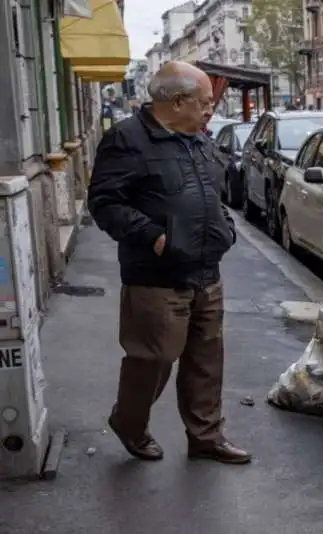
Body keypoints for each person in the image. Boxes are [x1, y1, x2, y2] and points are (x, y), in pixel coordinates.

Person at [87, 61, 251, 465]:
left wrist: (225, 227)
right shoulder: (126, 139)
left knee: (206, 359)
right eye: (205, 102)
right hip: (156, 278)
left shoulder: (198, 139)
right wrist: (154, 237)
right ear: (178, 102)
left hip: (207, 272)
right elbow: (105, 203)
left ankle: (206, 436)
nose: (210, 109)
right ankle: (129, 423)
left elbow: (213, 193)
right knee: (153, 360)